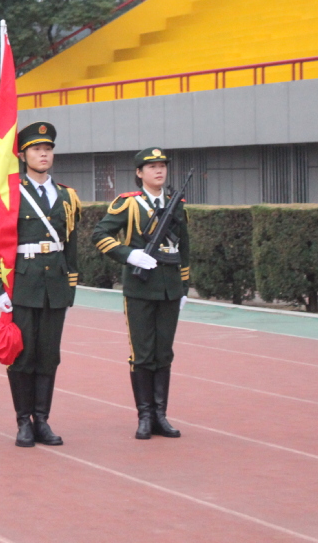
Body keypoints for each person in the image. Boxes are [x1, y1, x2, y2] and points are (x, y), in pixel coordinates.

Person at [0, 122, 81, 448]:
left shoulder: (67, 196)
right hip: (23, 283)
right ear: (23, 155)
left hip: (55, 284)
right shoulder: (11, 193)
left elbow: (71, 246)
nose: (44, 154)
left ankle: (42, 419)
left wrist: (70, 286)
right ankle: (23, 421)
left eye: (48, 149)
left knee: (49, 356)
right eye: (37, 149)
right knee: (22, 356)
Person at [91, 147, 190, 440]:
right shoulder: (129, 204)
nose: (159, 171)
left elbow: (184, 247)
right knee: (143, 354)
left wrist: (183, 287)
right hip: (140, 289)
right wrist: (129, 255)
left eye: (162, 166)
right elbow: (100, 235)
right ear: (139, 173)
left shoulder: (176, 203)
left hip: (169, 289)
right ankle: (145, 415)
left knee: (164, 353)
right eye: (151, 167)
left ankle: (161, 415)